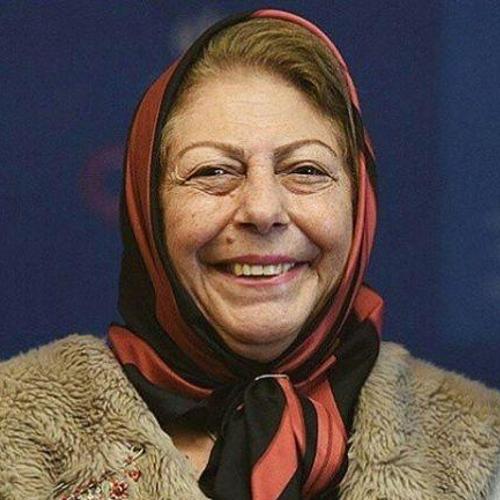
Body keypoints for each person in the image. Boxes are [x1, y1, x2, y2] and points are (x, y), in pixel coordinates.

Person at [0, 9, 499, 500]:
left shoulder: (482, 448)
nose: (262, 210)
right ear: (148, 209)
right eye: (214, 171)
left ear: (358, 204)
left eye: (305, 170)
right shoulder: (15, 431)